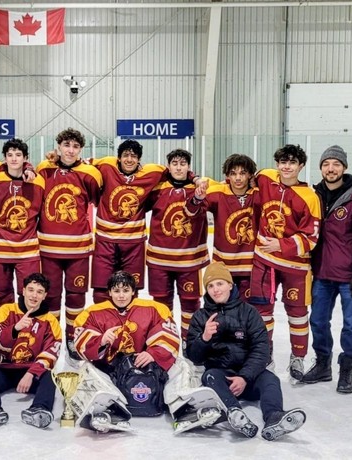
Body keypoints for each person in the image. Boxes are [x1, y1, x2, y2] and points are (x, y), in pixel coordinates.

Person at [72, 271, 222, 434]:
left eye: (126, 290)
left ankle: (183, 407)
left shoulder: (154, 309)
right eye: (116, 291)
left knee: (180, 363)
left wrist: (153, 353)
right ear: (109, 292)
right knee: (86, 367)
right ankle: (110, 408)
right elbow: (81, 343)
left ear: (133, 291)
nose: (121, 296)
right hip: (113, 370)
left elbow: (168, 334)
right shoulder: (92, 313)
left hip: (147, 368)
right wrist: (100, 340)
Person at [187, 261, 307, 441]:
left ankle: (274, 417)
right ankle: (235, 414)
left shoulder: (249, 312)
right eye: (210, 285)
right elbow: (193, 355)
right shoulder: (200, 317)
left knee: (270, 379)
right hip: (222, 377)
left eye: (220, 283)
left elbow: (261, 349)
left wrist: (244, 377)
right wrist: (204, 338)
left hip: (249, 375)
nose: (215, 289)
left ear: (230, 285)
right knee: (209, 376)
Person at [301, 146, 352, 393]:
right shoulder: (314, 195)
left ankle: (346, 368)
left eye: (335, 164)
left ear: (344, 167)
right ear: (321, 167)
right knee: (318, 321)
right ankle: (323, 364)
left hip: (349, 276)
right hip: (322, 273)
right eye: (326, 164)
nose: (330, 169)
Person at [249, 144, 321, 379]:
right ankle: (265, 356)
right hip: (264, 261)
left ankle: (298, 357)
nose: (286, 167)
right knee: (262, 312)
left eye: (292, 162)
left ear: (301, 166)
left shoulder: (309, 196)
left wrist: (282, 245)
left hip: (295, 266)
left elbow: (311, 236)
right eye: (282, 162)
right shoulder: (266, 177)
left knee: (298, 313)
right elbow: (246, 179)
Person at [36, 128, 102, 354]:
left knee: (76, 294)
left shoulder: (89, 173)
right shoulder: (44, 169)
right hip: (48, 247)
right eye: (66, 145)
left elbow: (98, 195)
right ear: (58, 146)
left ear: (80, 150)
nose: (70, 150)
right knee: (51, 294)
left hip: (79, 247)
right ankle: (51, 335)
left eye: (75, 147)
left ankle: (72, 336)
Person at [0, 273, 60, 429]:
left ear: (45, 295)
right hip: (5, 368)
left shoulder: (50, 321)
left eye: (39, 292)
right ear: (23, 290)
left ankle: (39, 409)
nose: (34, 295)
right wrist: (15, 329)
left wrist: (31, 373)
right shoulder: (6, 311)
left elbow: (51, 352)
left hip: (30, 371)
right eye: (31, 290)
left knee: (49, 378)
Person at [89, 140, 168, 303]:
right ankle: (103, 324)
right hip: (105, 240)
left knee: (131, 289)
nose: (129, 159)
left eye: (133, 156)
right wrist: (53, 158)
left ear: (139, 159)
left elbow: (177, 173)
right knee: (101, 291)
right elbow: (82, 164)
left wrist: (194, 178)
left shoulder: (151, 173)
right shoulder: (107, 166)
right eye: (125, 155)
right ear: (119, 157)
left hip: (133, 243)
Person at [0, 138, 45, 309]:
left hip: (27, 250)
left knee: (29, 296)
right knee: (1, 296)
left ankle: (24, 333)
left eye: (18, 155)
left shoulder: (38, 182)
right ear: (4, 157)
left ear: (26, 158)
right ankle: (3, 332)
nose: (14, 158)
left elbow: (42, 212)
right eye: (10, 155)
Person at [145, 149, 209, 339]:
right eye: (175, 163)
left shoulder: (200, 189)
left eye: (183, 164)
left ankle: (190, 340)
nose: (178, 167)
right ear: (169, 166)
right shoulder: (158, 188)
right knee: (162, 303)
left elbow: (196, 210)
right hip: (159, 260)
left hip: (188, 261)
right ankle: (166, 339)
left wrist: (196, 183)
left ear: (189, 167)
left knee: (191, 303)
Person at [188, 154, 258, 302]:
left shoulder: (259, 194)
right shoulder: (218, 193)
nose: (238, 178)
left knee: (247, 311)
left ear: (250, 175)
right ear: (227, 175)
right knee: (222, 311)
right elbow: (191, 212)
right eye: (233, 173)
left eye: (242, 173)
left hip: (251, 267)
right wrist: (197, 199)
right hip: (223, 267)